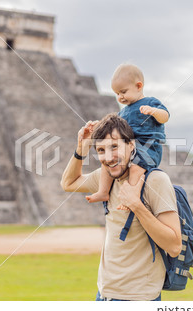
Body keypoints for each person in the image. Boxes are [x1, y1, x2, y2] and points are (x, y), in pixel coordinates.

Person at [61, 114, 181, 301]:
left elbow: (174, 246)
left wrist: (136, 205)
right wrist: (81, 149)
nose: (108, 157)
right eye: (101, 150)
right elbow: (68, 183)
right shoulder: (106, 178)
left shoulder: (155, 181)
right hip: (105, 293)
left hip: (138, 297)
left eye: (114, 146)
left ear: (131, 145)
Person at [85, 64, 169, 208]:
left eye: (123, 92)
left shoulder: (150, 102)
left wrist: (153, 111)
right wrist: (99, 125)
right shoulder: (123, 112)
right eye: (117, 93)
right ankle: (103, 191)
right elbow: (113, 127)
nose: (120, 97)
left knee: (136, 166)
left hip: (148, 147)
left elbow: (165, 116)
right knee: (107, 162)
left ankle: (132, 195)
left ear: (138, 86)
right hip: (129, 148)